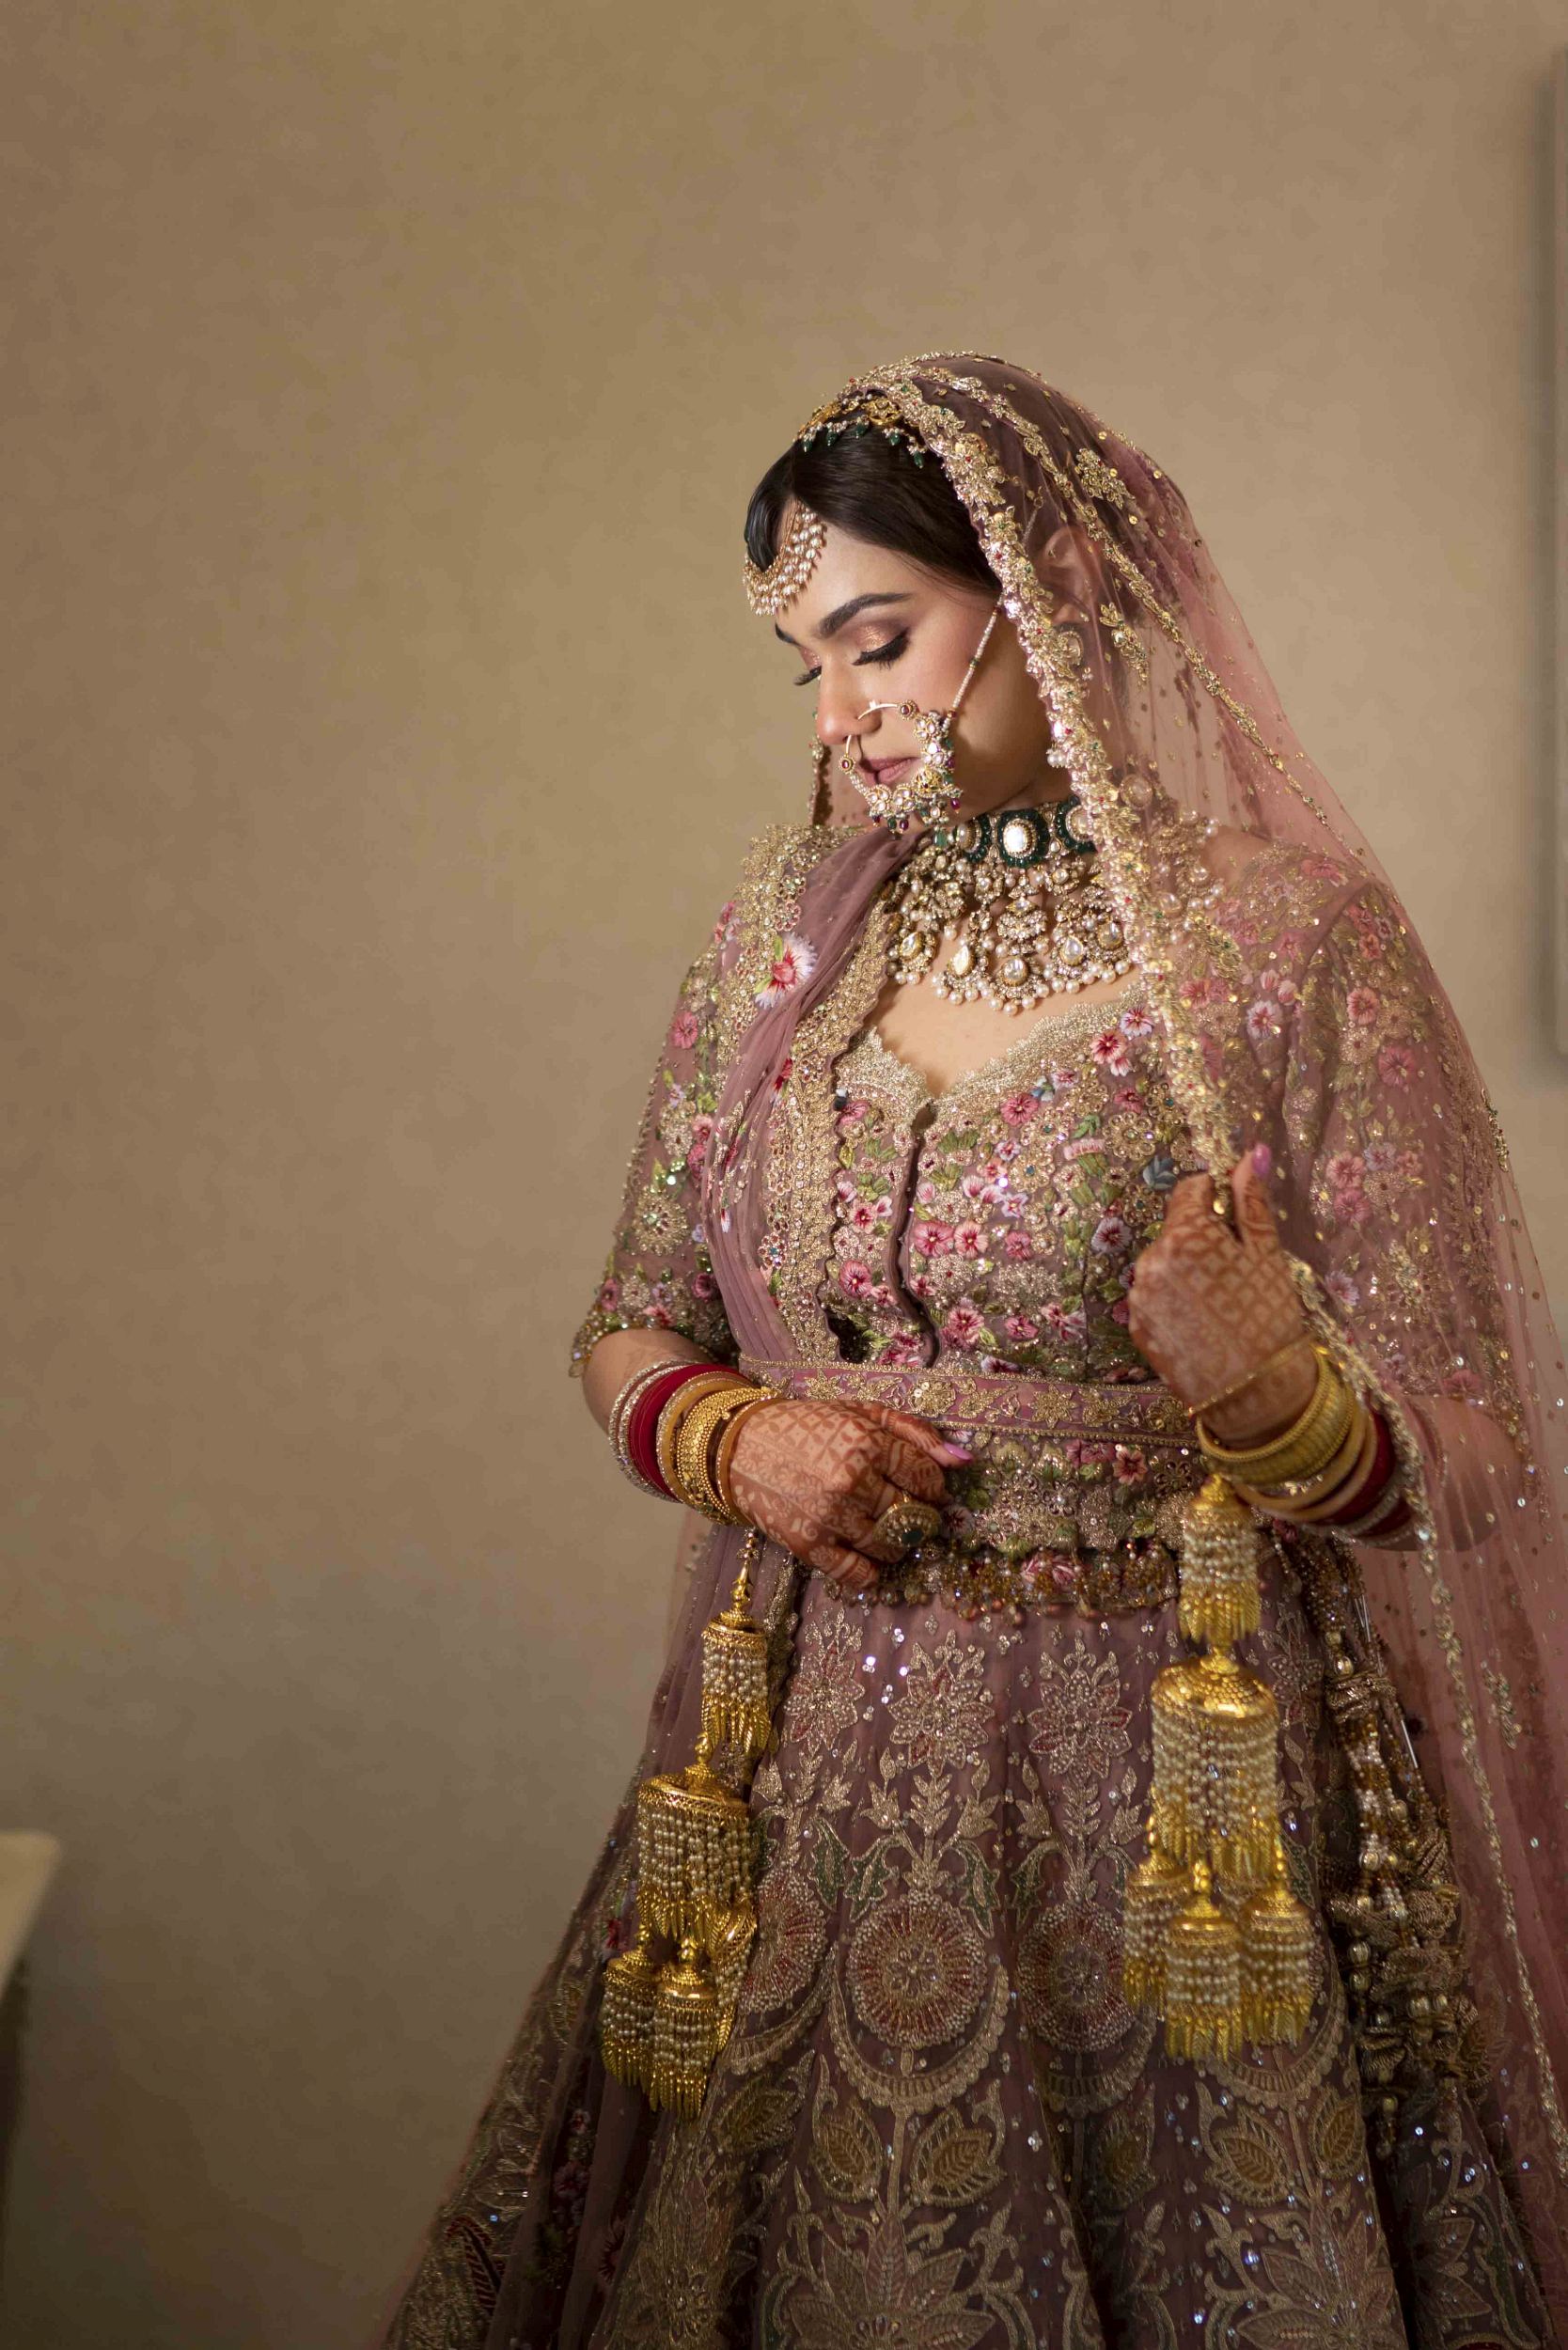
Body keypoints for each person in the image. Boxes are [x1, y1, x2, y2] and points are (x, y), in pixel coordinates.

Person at [373, 355, 1568, 2349]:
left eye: (878, 639)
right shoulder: (790, 936)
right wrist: (740, 1440)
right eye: (807, 667)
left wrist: (1283, 1402)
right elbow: (630, 1318)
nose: (839, 716)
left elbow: (1490, 1445)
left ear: (1047, 591)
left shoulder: (1288, 946)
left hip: (1197, 1807)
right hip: (816, 1758)